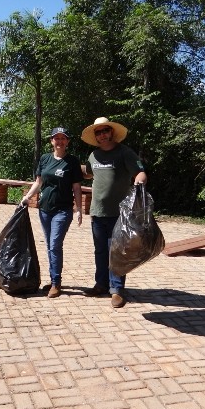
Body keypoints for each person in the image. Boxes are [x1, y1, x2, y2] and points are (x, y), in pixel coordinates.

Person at [81, 117, 147, 308]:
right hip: (97, 212)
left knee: (117, 252)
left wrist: (139, 181)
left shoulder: (124, 152)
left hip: (119, 214)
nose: (102, 135)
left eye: (105, 131)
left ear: (111, 132)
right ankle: (100, 285)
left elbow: (140, 172)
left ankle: (117, 290)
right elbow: (88, 173)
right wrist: (65, 164)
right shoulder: (93, 155)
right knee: (100, 250)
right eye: (98, 132)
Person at [20, 127, 83, 298]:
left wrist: (79, 209)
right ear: (51, 141)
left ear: (67, 142)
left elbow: (76, 187)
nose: (60, 141)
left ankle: (56, 282)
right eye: (57, 138)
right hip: (45, 209)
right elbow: (38, 182)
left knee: (55, 245)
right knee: (50, 246)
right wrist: (27, 197)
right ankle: (54, 278)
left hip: (63, 210)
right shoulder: (45, 159)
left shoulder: (72, 162)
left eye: (63, 138)